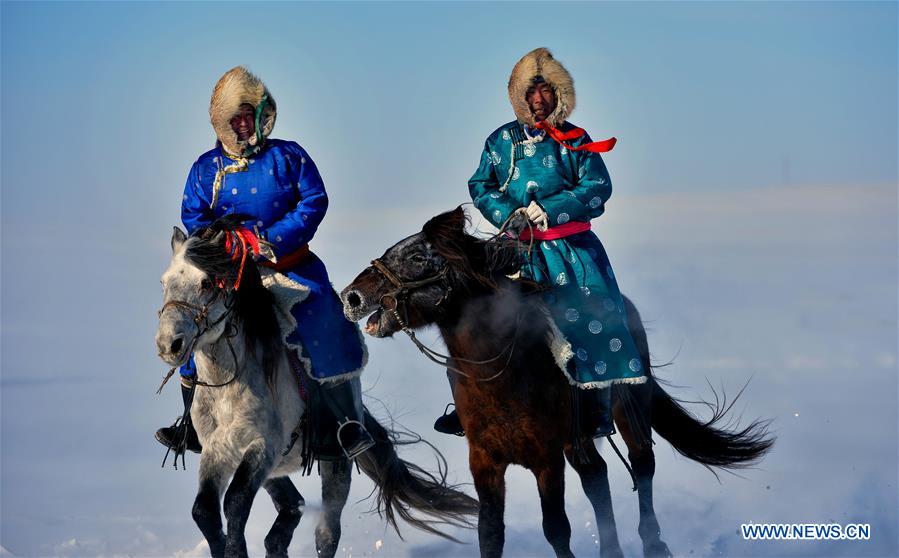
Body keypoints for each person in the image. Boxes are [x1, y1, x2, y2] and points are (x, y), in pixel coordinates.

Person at [155, 66, 374, 459]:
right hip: (229, 276)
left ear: (260, 115)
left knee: (325, 318)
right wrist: (223, 243)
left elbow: (314, 201)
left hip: (290, 266)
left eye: (247, 116)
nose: (242, 126)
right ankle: (189, 422)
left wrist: (268, 240)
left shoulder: (289, 156)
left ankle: (344, 423)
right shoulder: (205, 169)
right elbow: (193, 217)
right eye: (233, 119)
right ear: (221, 123)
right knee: (191, 322)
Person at [435, 48, 646, 437]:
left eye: (546, 92)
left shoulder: (577, 140)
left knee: (591, 314)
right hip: (515, 250)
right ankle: (470, 405)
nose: (538, 101)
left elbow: (598, 186)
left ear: (559, 95)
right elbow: (480, 185)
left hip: (572, 251)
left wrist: (552, 209)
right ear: (518, 97)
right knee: (475, 314)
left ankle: (598, 406)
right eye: (530, 94)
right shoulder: (500, 141)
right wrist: (508, 214)